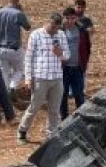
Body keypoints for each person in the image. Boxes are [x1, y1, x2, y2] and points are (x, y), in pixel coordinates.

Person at [17, 12, 70, 143]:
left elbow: (67, 55)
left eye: (57, 28)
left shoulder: (61, 35)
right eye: (52, 27)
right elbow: (29, 58)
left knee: (54, 109)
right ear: (47, 22)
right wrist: (28, 78)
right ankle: (22, 131)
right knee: (34, 107)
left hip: (57, 78)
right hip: (40, 77)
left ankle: (51, 135)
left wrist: (60, 54)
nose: (54, 30)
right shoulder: (36, 35)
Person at [0, 0, 31, 101]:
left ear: (9, 0)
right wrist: (22, 12)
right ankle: (12, 87)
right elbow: (27, 27)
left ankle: (5, 95)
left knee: (4, 72)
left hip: (2, 48)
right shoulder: (18, 13)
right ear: (17, 1)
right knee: (20, 69)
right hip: (15, 48)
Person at [59, 7, 86, 120]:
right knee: (63, 94)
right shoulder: (60, 31)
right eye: (67, 18)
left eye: (73, 18)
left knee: (78, 93)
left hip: (77, 67)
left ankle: (82, 117)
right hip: (64, 68)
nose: (70, 21)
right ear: (64, 18)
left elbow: (86, 48)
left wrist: (83, 63)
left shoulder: (81, 30)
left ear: (76, 18)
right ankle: (64, 118)